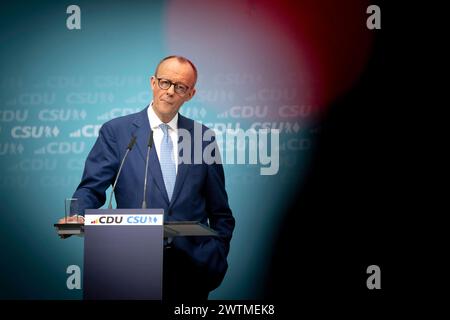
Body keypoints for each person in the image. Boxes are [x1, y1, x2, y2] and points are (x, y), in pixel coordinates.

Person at [58, 55, 235, 300]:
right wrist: (78, 214)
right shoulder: (117, 132)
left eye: (180, 86)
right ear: (153, 82)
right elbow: (92, 187)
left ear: (190, 94)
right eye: (165, 82)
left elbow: (221, 211)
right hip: (131, 263)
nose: (170, 91)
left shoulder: (202, 137)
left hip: (192, 269)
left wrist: (217, 254)